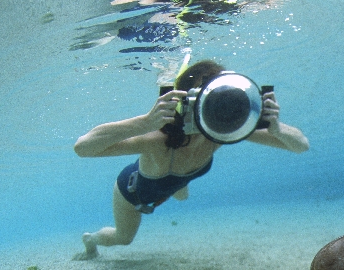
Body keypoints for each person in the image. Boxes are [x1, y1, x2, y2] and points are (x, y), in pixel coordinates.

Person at [73, 59, 308, 259]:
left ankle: (179, 187)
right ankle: (91, 240)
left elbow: (300, 145)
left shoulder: (220, 134)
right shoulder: (157, 140)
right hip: (133, 191)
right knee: (123, 238)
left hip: (175, 182)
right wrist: (145, 122)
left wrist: (277, 129)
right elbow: (83, 148)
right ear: (184, 104)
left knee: (181, 193)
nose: (216, 111)